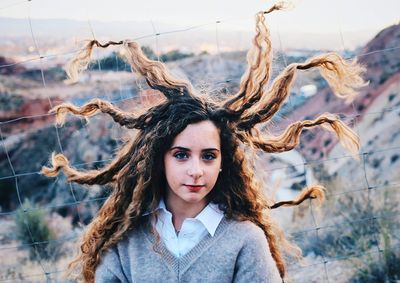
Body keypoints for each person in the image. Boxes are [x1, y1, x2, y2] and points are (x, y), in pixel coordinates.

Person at [41, 3, 367, 283]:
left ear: (224, 162)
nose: (196, 171)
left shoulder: (245, 241)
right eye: (181, 155)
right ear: (160, 159)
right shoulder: (126, 242)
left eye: (208, 156)